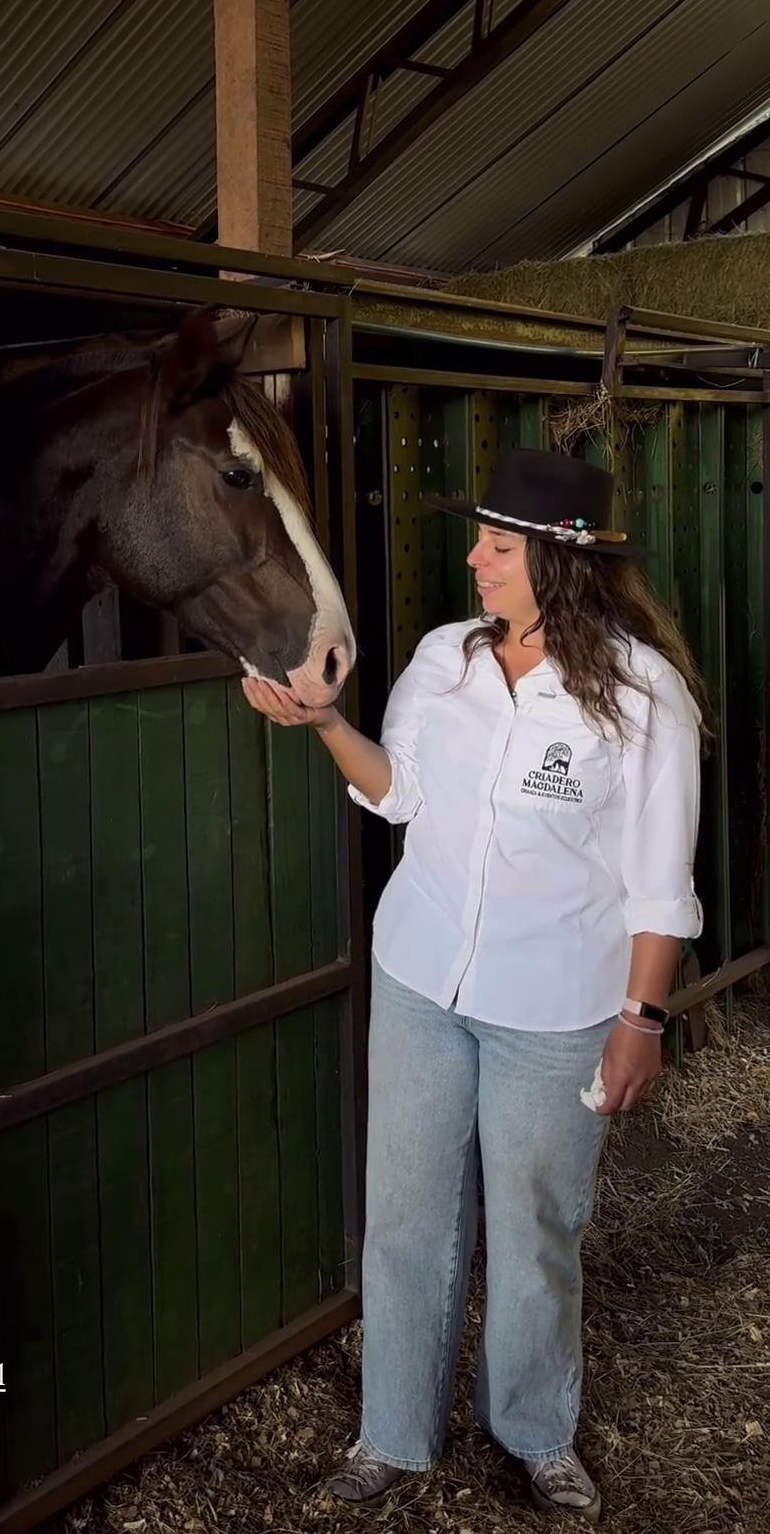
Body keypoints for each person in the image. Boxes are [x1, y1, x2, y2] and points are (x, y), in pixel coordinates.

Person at [242, 447, 707, 1524]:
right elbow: (400, 792)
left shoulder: (646, 699)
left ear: (561, 562)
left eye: (498, 545)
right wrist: (323, 726)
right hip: (419, 979)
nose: (474, 559)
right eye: (481, 540)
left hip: (557, 1010)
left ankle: (537, 1434)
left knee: (537, 1227)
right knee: (404, 1218)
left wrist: (641, 1019)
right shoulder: (444, 661)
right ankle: (391, 1435)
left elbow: (659, 883)